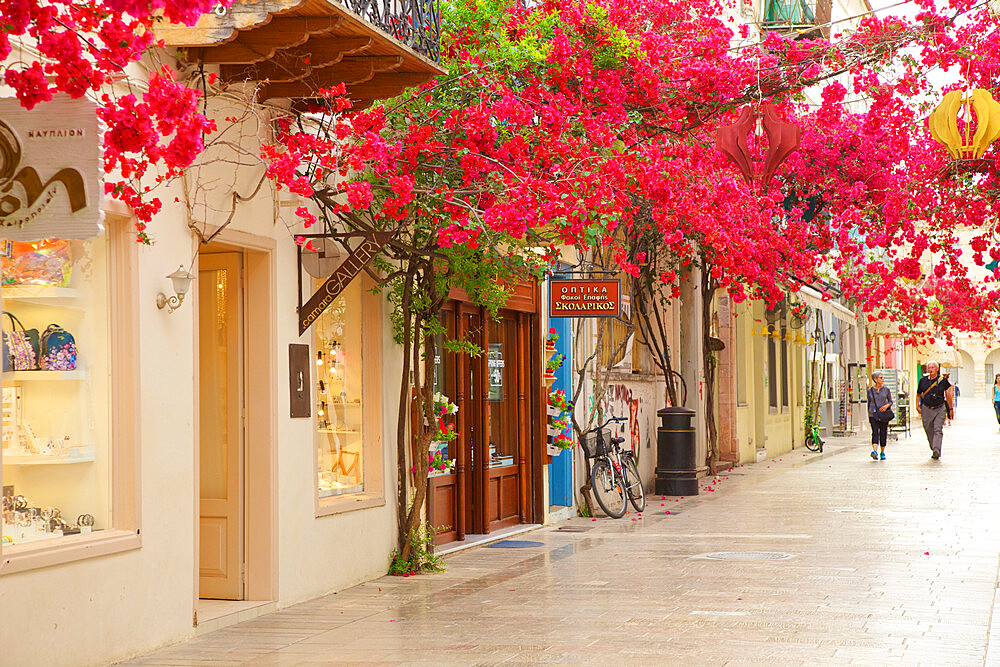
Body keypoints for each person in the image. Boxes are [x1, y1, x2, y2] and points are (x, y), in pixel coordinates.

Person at [917, 361, 954, 460]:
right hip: (926, 408)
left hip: (939, 408)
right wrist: (917, 406)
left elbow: (948, 394)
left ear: (937, 369)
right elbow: (918, 394)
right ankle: (934, 447)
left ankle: (936, 449)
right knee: (928, 428)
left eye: (933, 367)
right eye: (929, 367)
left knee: (937, 429)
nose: (931, 369)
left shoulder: (943, 381)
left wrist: (950, 408)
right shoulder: (923, 381)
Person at [867, 371, 893, 460]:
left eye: (882, 377)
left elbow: (890, 401)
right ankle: (874, 451)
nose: (883, 379)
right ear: (875, 380)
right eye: (880, 378)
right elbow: (869, 402)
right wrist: (869, 414)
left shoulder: (886, 390)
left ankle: (882, 452)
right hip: (873, 415)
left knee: (883, 432)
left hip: (883, 415)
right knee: (874, 432)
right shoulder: (870, 391)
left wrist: (886, 406)